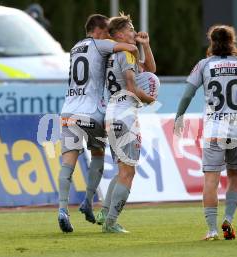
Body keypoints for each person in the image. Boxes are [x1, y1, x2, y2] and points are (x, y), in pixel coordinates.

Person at [174, 25, 237, 240]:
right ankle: (228, 218)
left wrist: (179, 116)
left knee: (211, 179)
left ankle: (211, 230)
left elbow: (188, 94)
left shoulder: (204, 65)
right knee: (234, 177)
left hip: (214, 129)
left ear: (211, 42)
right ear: (232, 41)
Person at [58, 14, 138, 233]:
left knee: (68, 162)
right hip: (92, 112)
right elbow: (127, 48)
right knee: (98, 154)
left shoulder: (75, 48)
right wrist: (135, 44)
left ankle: (62, 209)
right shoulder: (101, 43)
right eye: (105, 31)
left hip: (68, 111)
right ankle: (88, 200)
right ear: (98, 30)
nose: (107, 35)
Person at [97, 13, 156, 233]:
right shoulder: (126, 54)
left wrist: (145, 46)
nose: (134, 32)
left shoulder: (114, 54)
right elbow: (132, 87)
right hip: (125, 116)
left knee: (122, 170)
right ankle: (111, 222)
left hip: (111, 115)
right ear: (120, 33)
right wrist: (150, 100)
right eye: (131, 29)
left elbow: (150, 69)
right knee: (127, 172)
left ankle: (105, 212)